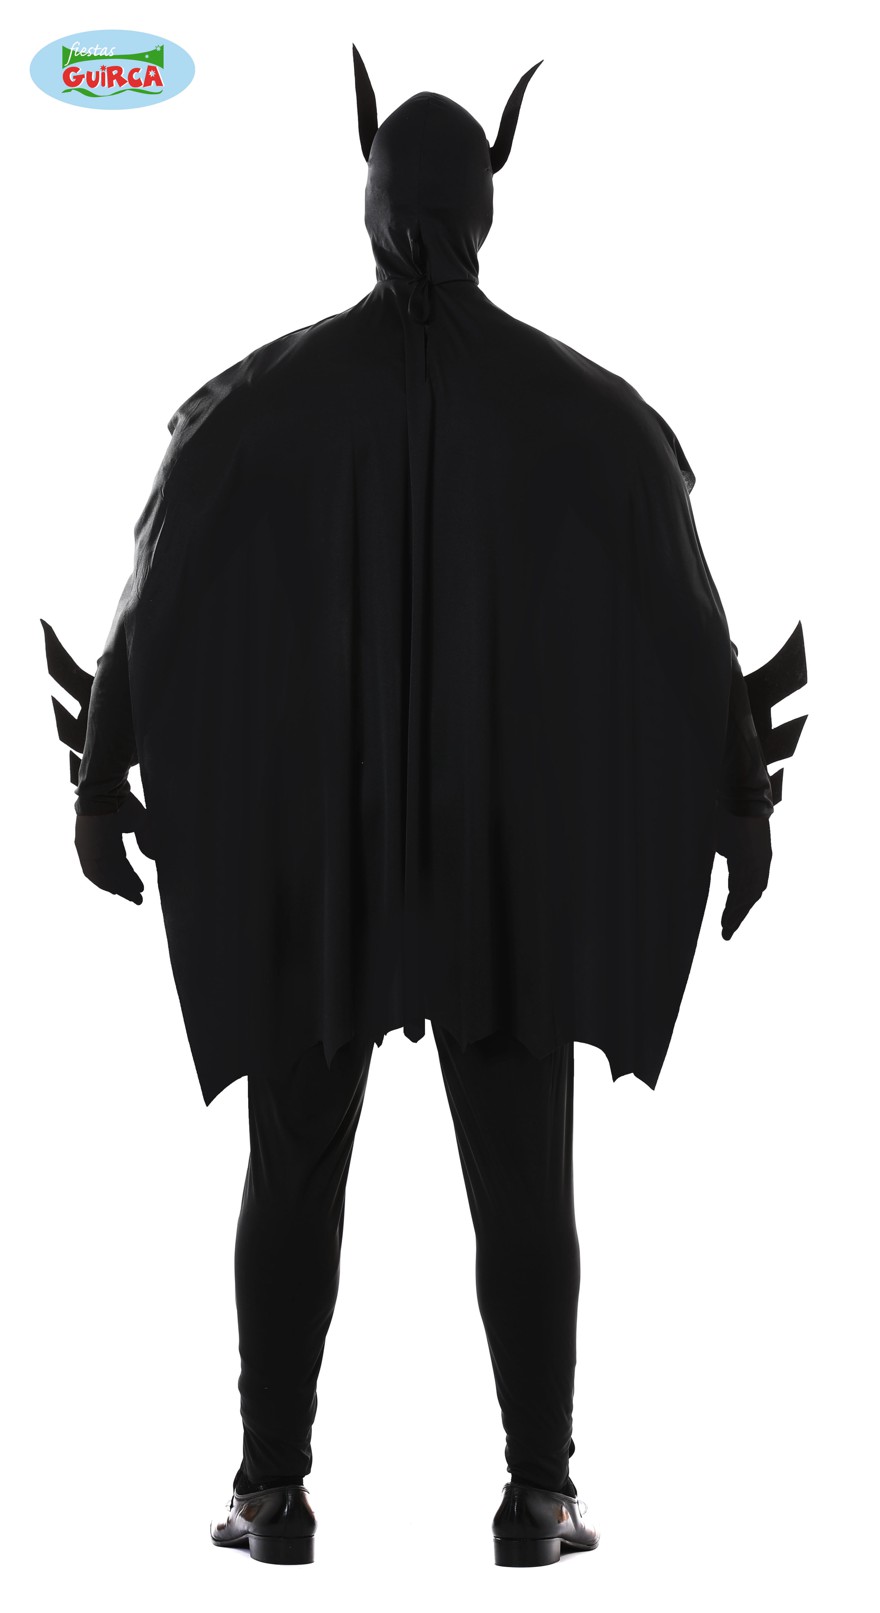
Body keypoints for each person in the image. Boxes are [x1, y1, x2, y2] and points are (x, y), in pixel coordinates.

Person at [41, 44, 807, 1568]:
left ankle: (271, 1490)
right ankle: (541, 1494)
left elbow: (155, 599)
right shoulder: (598, 423)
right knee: (526, 1182)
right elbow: (685, 626)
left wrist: (105, 776)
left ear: (371, 201)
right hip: (501, 874)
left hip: (320, 867)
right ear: (484, 207)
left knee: (293, 1171)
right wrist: (736, 802)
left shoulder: (248, 411)